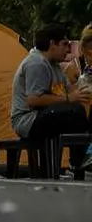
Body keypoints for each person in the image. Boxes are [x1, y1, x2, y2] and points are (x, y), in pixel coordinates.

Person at [11, 24, 92, 173]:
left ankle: (87, 155)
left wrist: (86, 85)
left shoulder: (54, 66)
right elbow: (34, 100)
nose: (68, 49)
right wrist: (69, 99)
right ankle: (78, 161)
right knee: (74, 111)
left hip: (45, 114)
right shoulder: (36, 63)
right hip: (28, 120)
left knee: (85, 109)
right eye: (64, 44)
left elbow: (71, 91)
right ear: (51, 44)